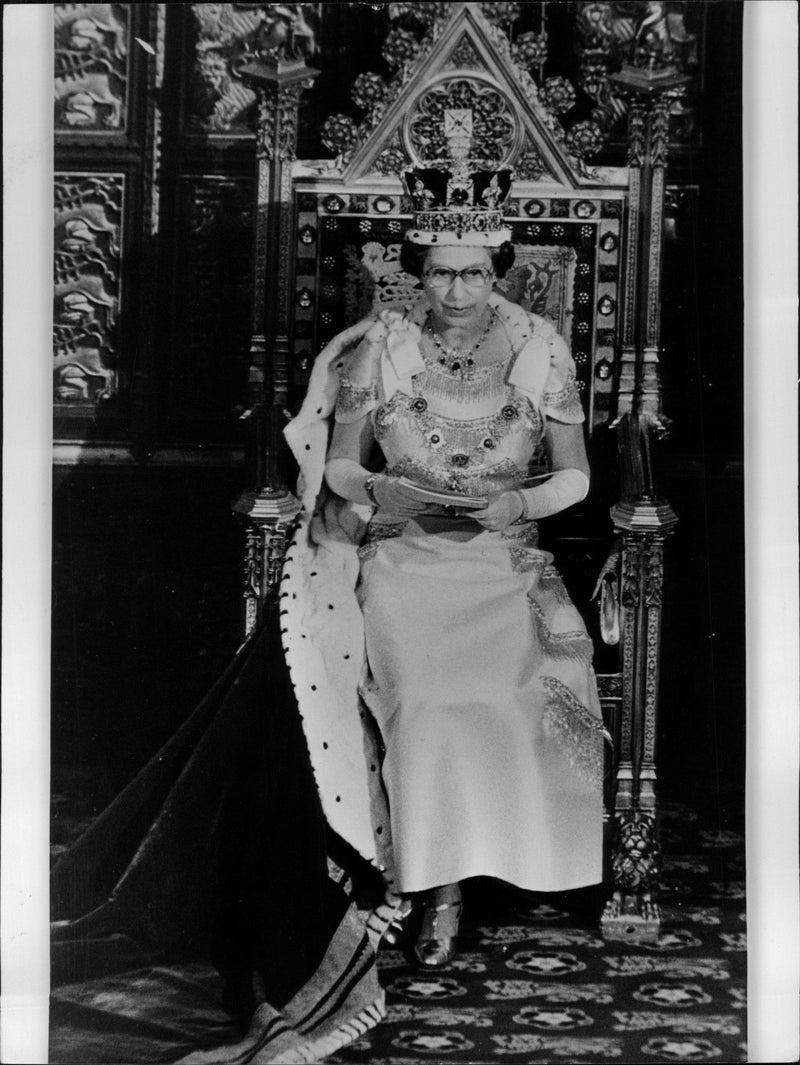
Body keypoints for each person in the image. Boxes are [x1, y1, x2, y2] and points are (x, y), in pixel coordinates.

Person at [282, 162, 606, 973]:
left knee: (502, 690)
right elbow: (340, 468)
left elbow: (576, 475)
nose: (455, 291)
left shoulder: (540, 345)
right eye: (439, 273)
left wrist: (521, 507)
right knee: (424, 699)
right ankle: (435, 886)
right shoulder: (383, 344)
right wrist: (381, 485)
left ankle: (494, 870)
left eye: (472, 273)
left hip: (503, 562)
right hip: (404, 556)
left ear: (499, 271)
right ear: (416, 271)